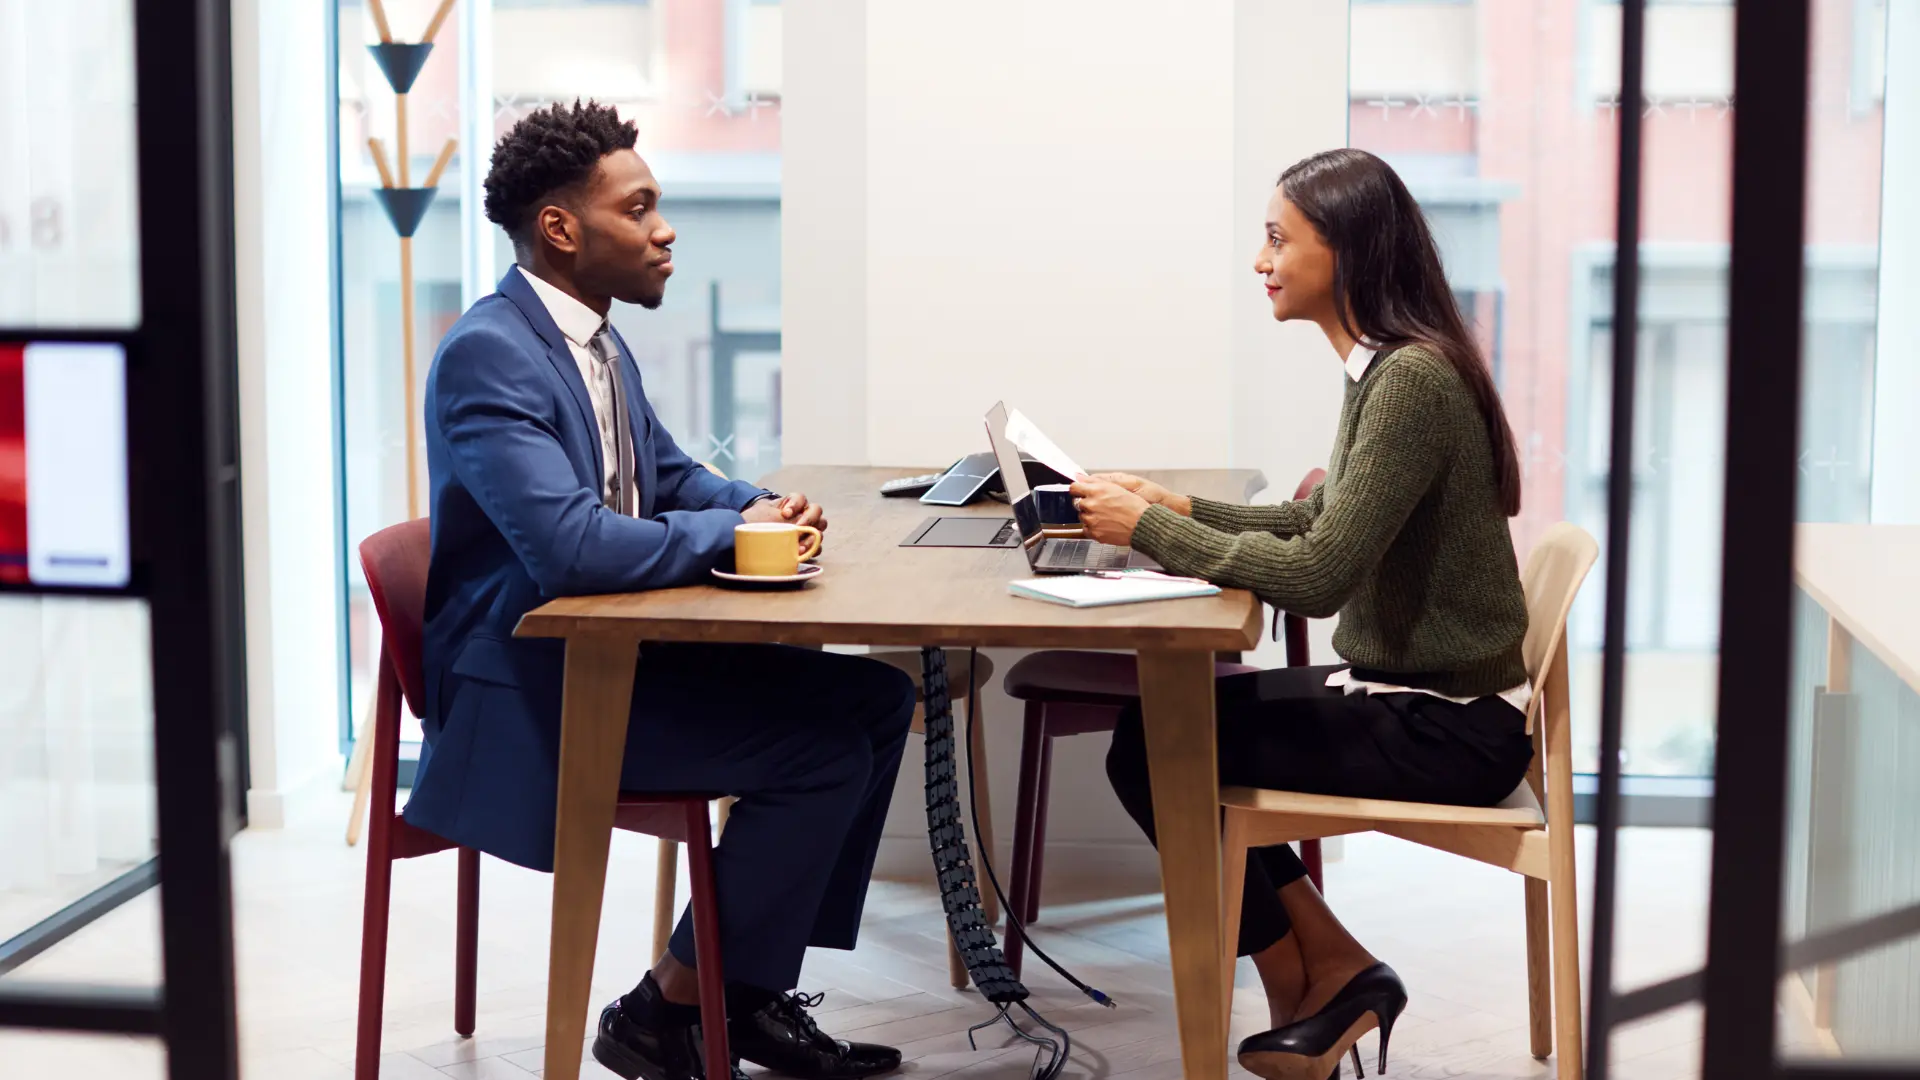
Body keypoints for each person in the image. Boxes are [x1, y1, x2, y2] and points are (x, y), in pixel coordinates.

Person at [412, 100, 914, 1080]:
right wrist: (732, 536)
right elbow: (568, 547)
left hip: (613, 664)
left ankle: (740, 995)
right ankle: (671, 1007)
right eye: (639, 208)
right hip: (531, 694)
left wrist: (759, 503)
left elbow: (667, 475)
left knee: (878, 699)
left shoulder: (593, 342)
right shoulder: (491, 354)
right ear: (561, 228)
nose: (664, 227)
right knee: (816, 754)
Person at [1071, 147, 1534, 1080]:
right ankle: (1330, 972)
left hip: (1445, 728)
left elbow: (1318, 574)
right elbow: (1317, 519)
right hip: (1416, 699)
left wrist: (1152, 528)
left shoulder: (1409, 382)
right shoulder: (1388, 368)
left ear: (1348, 251)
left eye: (1279, 240)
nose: (1261, 262)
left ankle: (1313, 979)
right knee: (1162, 733)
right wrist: (1179, 507)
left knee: (1154, 746)